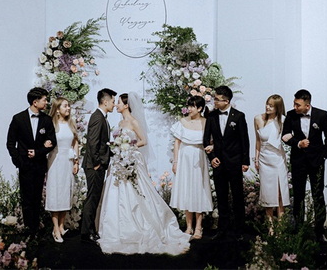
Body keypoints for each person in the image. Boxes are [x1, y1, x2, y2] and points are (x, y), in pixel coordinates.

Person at [97, 92, 191, 255]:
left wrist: (128, 147)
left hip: (131, 159)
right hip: (119, 161)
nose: (116, 105)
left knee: (137, 192)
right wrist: (118, 148)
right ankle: (116, 228)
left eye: (119, 102)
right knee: (115, 192)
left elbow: (143, 140)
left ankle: (143, 225)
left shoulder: (134, 122)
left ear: (126, 105)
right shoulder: (120, 122)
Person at [282, 89, 327, 243]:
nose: (295, 107)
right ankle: (299, 230)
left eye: (298, 105)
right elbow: (285, 135)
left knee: (318, 195)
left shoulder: (321, 115)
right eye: (294, 104)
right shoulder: (291, 115)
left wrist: (324, 155)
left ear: (307, 105)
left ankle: (319, 231)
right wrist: (298, 143)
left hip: (316, 161)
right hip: (298, 161)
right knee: (298, 196)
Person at [6, 87, 57, 235]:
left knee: (37, 197)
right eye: (44, 100)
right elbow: (10, 143)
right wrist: (18, 161)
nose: (46, 103)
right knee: (26, 198)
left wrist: (39, 152)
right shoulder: (18, 119)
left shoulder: (46, 120)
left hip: (40, 165)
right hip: (25, 165)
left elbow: (52, 141)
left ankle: (36, 229)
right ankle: (28, 229)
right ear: (35, 102)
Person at [203, 85, 250, 241]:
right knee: (221, 197)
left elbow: (244, 140)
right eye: (214, 98)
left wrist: (245, 161)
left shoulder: (239, 116)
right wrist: (212, 157)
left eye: (217, 99)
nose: (214, 101)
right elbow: (206, 139)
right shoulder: (211, 116)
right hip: (218, 162)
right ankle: (222, 229)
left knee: (237, 196)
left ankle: (239, 230)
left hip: (235, 162)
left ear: (227, 101)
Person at [169, 95, 213, 240]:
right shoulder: (183, 122)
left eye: (192, 106)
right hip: (184, 158)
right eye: (188, 106)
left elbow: (212, 141)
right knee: (187, 189)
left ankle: (199, 227)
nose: (189, 109)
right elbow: (177, 143)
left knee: (198, 190)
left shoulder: (206, 122)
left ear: (199, 108)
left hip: (198, 158)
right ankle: (189, 226)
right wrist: (175, 162)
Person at [80, 88, 116, 244]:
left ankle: (88, 230)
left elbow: (101, 143)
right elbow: (93, 143)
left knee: (94, 198)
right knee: (92, 198)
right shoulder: (97, 117)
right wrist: (96, 163)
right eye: (113, 101)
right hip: (94, 165)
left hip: (97, 164)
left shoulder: (101, 117)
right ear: (105, 102)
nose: (114, 105)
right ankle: (88, 232)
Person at [45, 97, 80, 242]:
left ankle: (61, 225)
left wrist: (76, 161)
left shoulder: (71, 123)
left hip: (68, 161)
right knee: (55, 193)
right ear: (58, 109)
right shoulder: (51, 124)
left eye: (69, 106)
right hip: (55, 161)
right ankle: (55, 228)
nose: (68, 108)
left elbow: (75, 142)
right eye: (65, 106)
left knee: (66, 192)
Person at [253, 94, 291, 229]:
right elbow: (258, 141)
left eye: (271, 106)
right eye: (267, 104)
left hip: (278, 158)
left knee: (280, 192)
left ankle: (281, 228)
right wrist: (256, 159)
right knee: (268, 192)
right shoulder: (258, 119)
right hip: (264, 159)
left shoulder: (283, 121)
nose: (268, 107)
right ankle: (270, 228)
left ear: (278, 108)